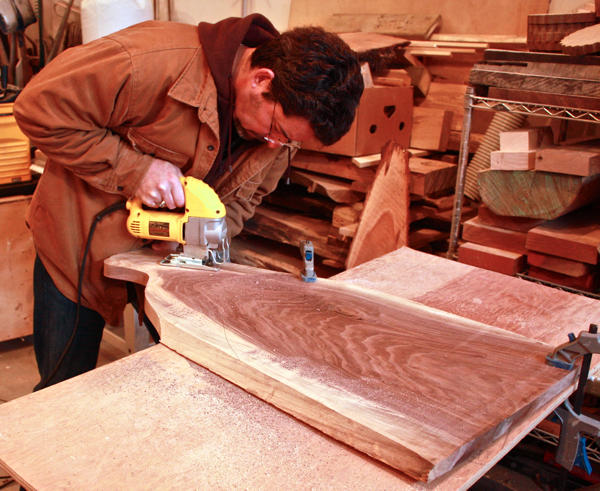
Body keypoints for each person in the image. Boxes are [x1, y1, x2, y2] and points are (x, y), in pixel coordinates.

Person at [13, 14, 364, 390]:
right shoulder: (147, 60)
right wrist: (136, 170)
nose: (276, 145)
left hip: (163, 266)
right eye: (278, 130)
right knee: (63, 387)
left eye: (288, 142)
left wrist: (194, 248)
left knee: (183, 383)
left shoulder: (277, 132)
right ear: (261, 79)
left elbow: (245, 200)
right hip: (75, 246)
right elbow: (37, 108)